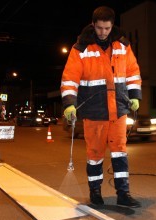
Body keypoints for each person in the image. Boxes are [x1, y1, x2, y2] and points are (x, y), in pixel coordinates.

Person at [60, 6, 142, 207]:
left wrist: (135, 96)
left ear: (112, 25)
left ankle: (123, 193)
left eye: (106, 28)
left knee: (120, 152)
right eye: (99, 28)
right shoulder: (81, 48)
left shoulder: (123, 45)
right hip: (94, 111)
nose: (103, 32)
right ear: (93, 25)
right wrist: (70, 104)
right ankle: (95, 193)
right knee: (95, 155)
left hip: (119, 110)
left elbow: (132, 72)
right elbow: (70, 78)